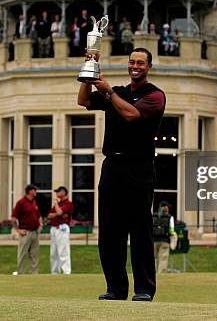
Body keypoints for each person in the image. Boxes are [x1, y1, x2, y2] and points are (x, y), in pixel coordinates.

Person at [78, 47, 166, 302]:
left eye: (140, 63)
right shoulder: (119, 91)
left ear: (148, 67)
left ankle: (144, 289)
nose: (135, 66)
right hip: (112, 166)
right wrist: (88, 75)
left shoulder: (155, 95)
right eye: (132, 62)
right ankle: (116, 288)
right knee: (109, 231)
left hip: (139, 167)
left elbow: (132, 114)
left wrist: (107, 90)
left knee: (140, 230)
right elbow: (83, 101)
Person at [11, 185, 42, 275]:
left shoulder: (34, 202)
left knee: (34, 254)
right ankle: (20, 272)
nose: (36, 192)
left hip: (35, 232)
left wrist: (40, 225)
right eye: (34, 190)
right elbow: (13, 218)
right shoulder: (21, 203)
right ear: (30, 191)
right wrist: (18, 230)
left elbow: (38, 215)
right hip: (25, 232)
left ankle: (34, 273)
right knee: (22, 254)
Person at [47, 186, 74, 275]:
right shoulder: (59, 204)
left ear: (63, 192)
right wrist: (56, 213)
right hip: (54, 228)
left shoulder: (68, 204)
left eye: (58, 192)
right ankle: (55, 272)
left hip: (62, 227)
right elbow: (49, 215)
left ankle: (66, 271)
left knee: (63, 251)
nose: (57, 194)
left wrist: (56, 205)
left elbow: (59, 212)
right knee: (53, 252)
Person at [153, 201, 175, 274]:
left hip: (153, 240)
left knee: (153, 258)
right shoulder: (170, 217)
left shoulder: (154, 216)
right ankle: (161, 274)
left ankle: (152, 273)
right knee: (163, 258)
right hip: (164, 241)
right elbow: (171, 230)